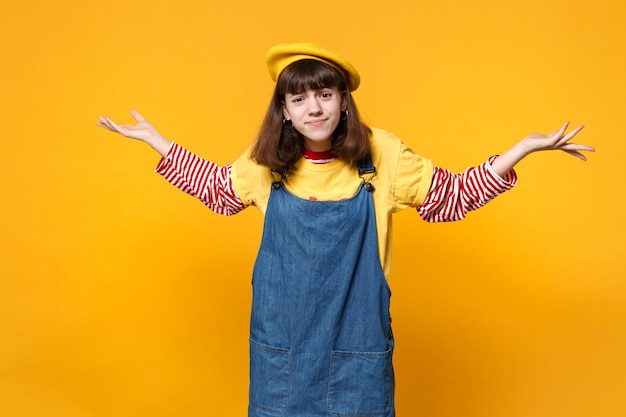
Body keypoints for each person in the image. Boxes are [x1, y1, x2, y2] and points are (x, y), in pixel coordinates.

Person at [97, 43, 593, 417]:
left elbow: (451, 198)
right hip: (282, 360)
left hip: (357, 355)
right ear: (285, 111)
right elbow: (220, 192)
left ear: (343, 102)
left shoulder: (383, 156)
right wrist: (159, 143)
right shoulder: (266, 164)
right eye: (299, 98)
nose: (314, 108)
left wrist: (520, 150)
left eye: (325, 93)